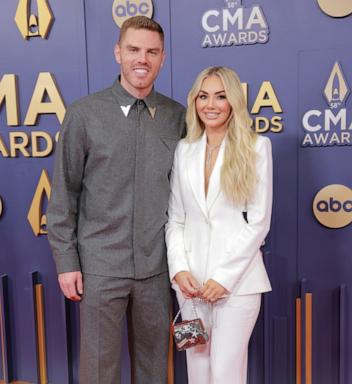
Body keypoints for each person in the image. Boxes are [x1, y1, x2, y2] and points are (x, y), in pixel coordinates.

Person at [47, 16, 185, 384]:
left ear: (163, 58)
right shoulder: (84, 114)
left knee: (154, 366)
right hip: (99, 267)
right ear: (118, 53)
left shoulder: (178, 118)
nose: (143, 59)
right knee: (98, 369)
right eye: (134, 50)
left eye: (152, 52)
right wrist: (66, 262)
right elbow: (64, 193)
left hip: (157, 268)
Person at [166, 66, 272, 384]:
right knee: (198, 373)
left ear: (233, 103)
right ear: (195, 101)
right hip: (191, 287)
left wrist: (223, 278)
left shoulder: (256, 148)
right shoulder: (184, 150)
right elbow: (175, 218)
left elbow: (259, 222)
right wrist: (179, 270)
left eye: (221, 96)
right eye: (203, 96)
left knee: (226, 374)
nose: (210, 105)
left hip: (237, 286)